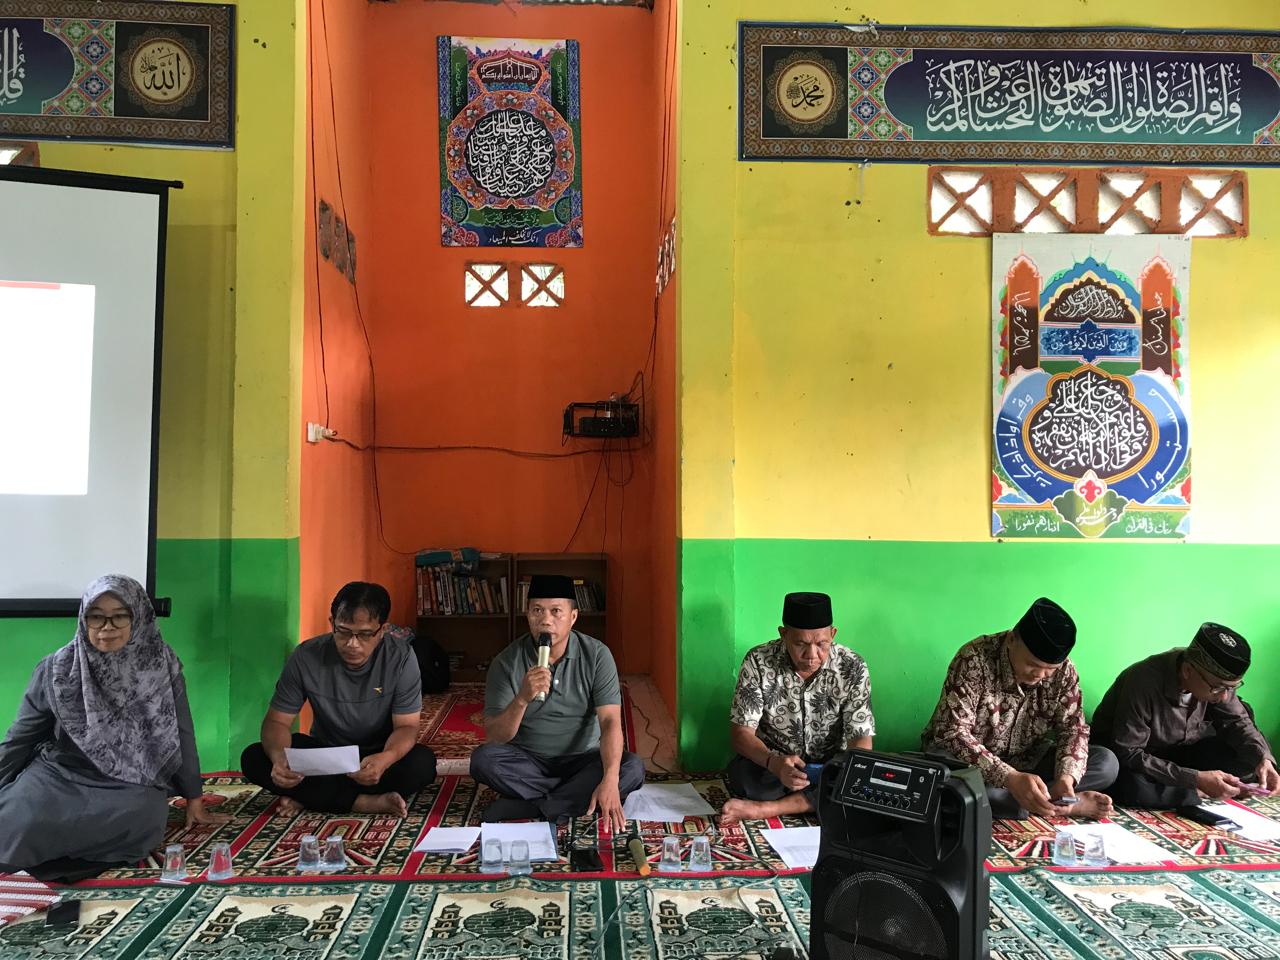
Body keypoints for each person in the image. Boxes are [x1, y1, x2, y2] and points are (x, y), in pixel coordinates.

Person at [0, 575, 224, 881]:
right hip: (62, 772)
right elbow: (21, 737)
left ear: (139, 617)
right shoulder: (57, 669)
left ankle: (62, 856)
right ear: (83, 619)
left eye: (120, 616)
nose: (107, 627)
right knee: (17, 820)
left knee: (143, 819)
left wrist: (194, 798)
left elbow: (181, 730)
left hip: (132, 777)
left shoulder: (159, 666)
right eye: (96, 617)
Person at [241, 582, 436, 817]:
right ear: (331, 623)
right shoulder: (306, 656)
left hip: (376, 757)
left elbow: (407, 727)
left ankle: (312, 797)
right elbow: (277, 722)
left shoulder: (401, 657)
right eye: (343, 631)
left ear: (382, 630)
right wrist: (278, 758)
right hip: (326, 758)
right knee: (254, 757)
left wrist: (386, 758)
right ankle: (365, 803)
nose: (352, 643)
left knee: (422, 764)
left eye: (364, 634)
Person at [470, 574, 644, 830]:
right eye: (537, 611)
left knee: (632, 768)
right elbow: (496, 736)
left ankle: (534, 806)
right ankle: (570, 801)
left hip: (583, 759)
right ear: (527, 614)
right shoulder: (506, 662)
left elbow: (609, 722)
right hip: (530, 760)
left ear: (573, 617)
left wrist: (609, 778)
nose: (546, 620)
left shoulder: (597, 655)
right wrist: (521, 699)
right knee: (483, 761)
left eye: (556, 611)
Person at [921, 597, 1118, 820]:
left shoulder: (1065, 672)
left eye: (1049, 670)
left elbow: (1073, 729)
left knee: (1106, 762)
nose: (1040, 675)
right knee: (940, 780)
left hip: (1028, 762)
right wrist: (1009, 777)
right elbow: (952, 733)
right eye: (1033, 665)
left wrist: (1066, 779)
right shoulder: (974, 658)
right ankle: (1046, 805)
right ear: (1012, 639)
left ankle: (1044, 800)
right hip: (972, 764)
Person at [1092, 622, 1279, 810]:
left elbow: (1238, 721)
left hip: (1181, 754)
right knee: (1134, 787)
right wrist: (1194, 778)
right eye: (1218, 687)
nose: (1223, 696)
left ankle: (1189, 787)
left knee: (1246, 756)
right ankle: (1191, 791)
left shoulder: (1214, 681)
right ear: (1187, 671)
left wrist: (1263, 759)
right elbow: (1128, 753)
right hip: (1137, 759)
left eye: (1231, 688)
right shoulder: (1142, 681)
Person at [723, 591, 874, 820]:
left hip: (829, 767)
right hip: (774, 766)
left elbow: (861, 739)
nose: (812, 655)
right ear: (784, 634)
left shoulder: (852, 666)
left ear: (833, 634)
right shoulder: (758, 661)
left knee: (861, 783)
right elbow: (741, 734)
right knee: (748, 780)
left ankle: (768, 809)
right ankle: (810, 801)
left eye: (822, 643)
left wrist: (851, 771)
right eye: (800, 644)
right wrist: (775, 764)